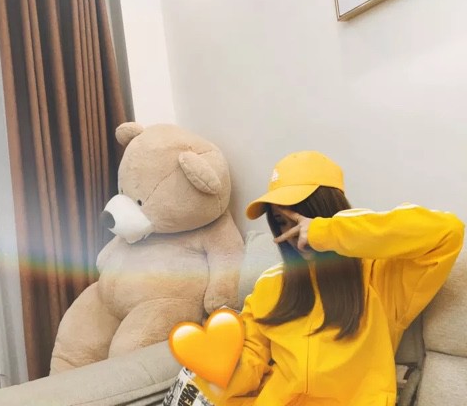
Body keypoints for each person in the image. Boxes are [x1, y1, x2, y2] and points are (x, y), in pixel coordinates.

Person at [171, 151, 464, 406]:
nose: (294, 234)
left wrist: (327, 233)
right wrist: (223, 371)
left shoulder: (381, 277)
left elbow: (447, 232)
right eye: (282, 222)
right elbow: (252, 355)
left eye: (301, 219)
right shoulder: (271, 285)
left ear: (328, 211)